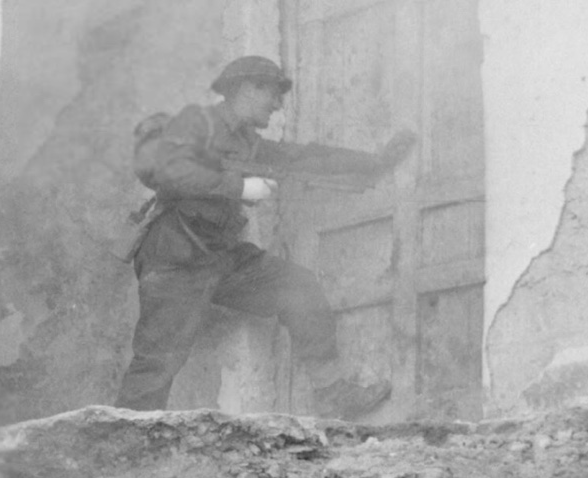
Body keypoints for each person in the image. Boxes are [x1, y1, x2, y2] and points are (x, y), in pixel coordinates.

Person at [119, 56, 417, 419]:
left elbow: (306, 158)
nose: (277, 105)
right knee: (158, 362)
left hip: (220, 256)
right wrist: (238, 185)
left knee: (300, 288)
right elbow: (156, 169)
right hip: (175, 257)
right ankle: (122, 446)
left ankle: (333, 394)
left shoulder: (251, 145)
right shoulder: (196, 124)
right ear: (247, 89)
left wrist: (374, 163)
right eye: (272, 94)